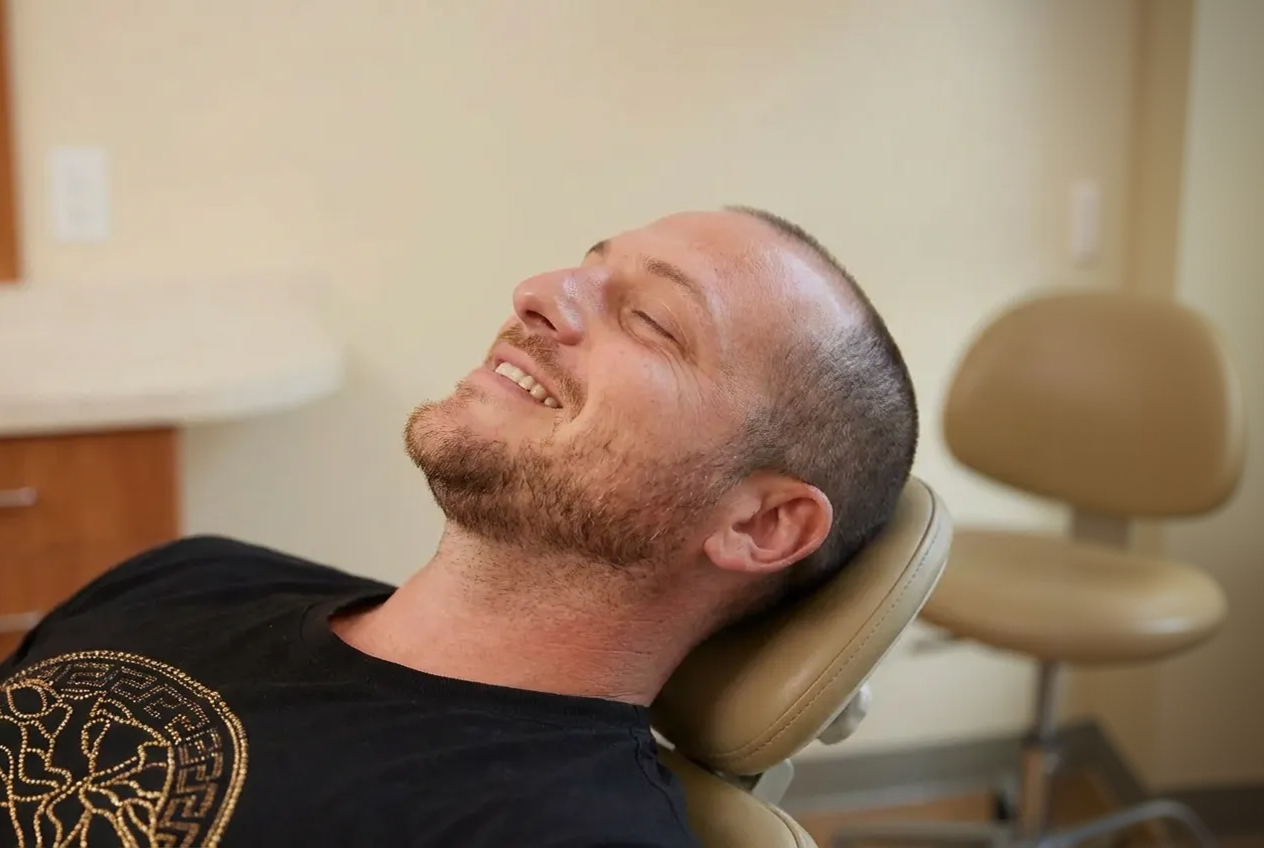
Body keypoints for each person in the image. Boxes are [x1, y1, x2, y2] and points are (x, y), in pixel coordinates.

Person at [0, 207, 917, 848]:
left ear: (760, 524)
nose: (536, 294)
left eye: (648, 318)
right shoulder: (192, 576)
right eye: (586, 265)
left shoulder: (569, 834)